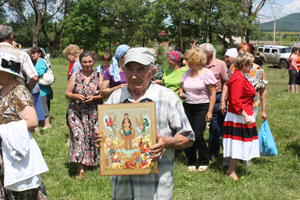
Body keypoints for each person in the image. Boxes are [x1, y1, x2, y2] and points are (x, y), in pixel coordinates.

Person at [94, 47, 194, 199]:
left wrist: (166, 142)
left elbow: (188, 137)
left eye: (141, 70)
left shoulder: (166, 97)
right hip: (123, 188)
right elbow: (100, 132)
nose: (134, 76)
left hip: (155, 188)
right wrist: (100, 138)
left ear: (152, 72)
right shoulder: (115, 98)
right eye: (130, 69)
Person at [0, 51, 48, 199]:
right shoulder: (2, 90)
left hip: (15, 152)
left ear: (5, 72)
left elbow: (32, 121)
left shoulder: (19, 91)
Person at [219, 43, 268, 167]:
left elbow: (263, 90)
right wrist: (223, 101)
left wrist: (263, 110)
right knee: (237, 138)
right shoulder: (235, 72)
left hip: (250, 107)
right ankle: (230, 164)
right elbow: (229, 88)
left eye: (243, 52)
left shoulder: (258, 70)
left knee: (244, 137)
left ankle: (245, 160)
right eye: (239, 52)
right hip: (239, 110)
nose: (240, 54)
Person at [65, 51, 103, 178]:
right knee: (78, 136)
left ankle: (90, 162)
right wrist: (75, 96)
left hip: (92, 112)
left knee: (91, 137)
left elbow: (103, 94)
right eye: (84, 62)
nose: (87, 64)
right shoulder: (75, 75)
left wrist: (95, 97)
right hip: (75, 111)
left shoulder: (98, 76)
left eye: (90, 61)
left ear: (94, 62)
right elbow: (67, 93)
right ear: (80, 63)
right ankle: (79, 169)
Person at [222, 52, 260, 181]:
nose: (252, 66)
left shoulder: (240, 75)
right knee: (238, 144)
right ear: (244, 65)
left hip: (242, 114)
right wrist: (245, 115)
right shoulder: (238, 78)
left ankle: (233, 169)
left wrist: (250, 111)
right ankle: (230, 171)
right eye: (250, 64)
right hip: (238, 116)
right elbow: (235, 101)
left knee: (240, 143)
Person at [178, 47, 217, 172]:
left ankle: (204, 161)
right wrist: (181, 93)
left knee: (198, 135)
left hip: (202, 106)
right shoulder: (186, 73)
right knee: (189, 134)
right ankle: (191, 160)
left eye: (189, 59)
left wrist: (210, 111)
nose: (187, 61)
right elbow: (181, 89)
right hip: (188, 106)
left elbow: (212, 94)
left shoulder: (207, 73)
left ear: (197, 60)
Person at [199, 43, 227, 160]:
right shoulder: (198, 64)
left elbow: (226, 82)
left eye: (201, 52)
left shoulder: (220, 64)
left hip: (216, 97)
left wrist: (223, 101)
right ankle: (197, 150)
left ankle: (213, 152)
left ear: (208, 53)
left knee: (214, 126)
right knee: (199, 126)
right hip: (201, 98)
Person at [0, 24, 38, 90]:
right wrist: (27, 89)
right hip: (16, 97)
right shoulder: (21, 54)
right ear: (11, 36)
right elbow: (34, 78)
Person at [30, 47, 53, 130]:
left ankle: (47, 124)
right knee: (40, 105)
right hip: (39, 88)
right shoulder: (37, 62)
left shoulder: (41, 61)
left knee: (44, 106)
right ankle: (42, 123)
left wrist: (30, 73)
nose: (32, 55)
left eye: (34, 53)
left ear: (39, 54)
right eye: (32, 53)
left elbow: (41, 72)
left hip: (42, 88)